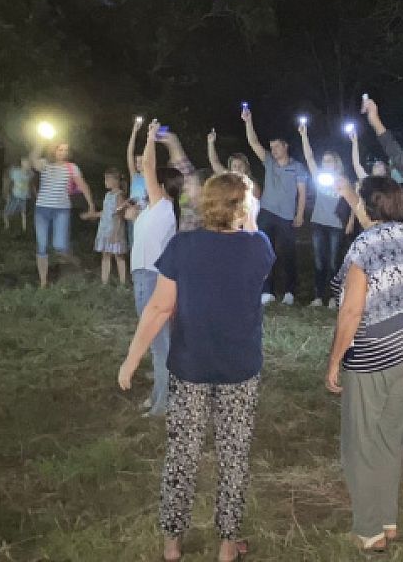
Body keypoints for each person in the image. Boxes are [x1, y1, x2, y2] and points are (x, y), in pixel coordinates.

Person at [118, 171, 274, 562]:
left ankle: (173, 544)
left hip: (189, 366)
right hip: (239, 367)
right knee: (233, 454)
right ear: (241, 205)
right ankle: (226, 546)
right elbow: (253, 240)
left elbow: (159, 307)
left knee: (182, 453)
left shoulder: (183, 246)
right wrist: (247, 214)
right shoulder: (259, 247)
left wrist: (132, 358)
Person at [325, 177, 403, 552]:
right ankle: (388, 519)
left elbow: (351, 309)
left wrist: (335, 359)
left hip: (373, 352)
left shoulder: (364, 246)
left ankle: (369, 529)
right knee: (388, 435)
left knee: (360, 442)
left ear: (368, 207)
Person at [127, 121, 183, 418]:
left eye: (153, 180)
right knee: (156, 343)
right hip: (145, 277)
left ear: (161, 186)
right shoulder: (155, 209)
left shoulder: (162, 206)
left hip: (151, 279)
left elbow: (147, 164)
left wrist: (150, 137)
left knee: (159, 344)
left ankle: (165, 405)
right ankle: (158, 395)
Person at [242, 105, 307, 306]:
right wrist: (248, 121)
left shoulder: (297, 167)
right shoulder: (268, 161)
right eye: (271, 147)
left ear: (285, 146)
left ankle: (289, 291)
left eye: (276, 146)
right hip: (267, 213)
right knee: (264, 251)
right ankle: (266, 291)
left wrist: (300, 214)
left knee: (287, 253)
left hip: (287, 216)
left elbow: (302, 193)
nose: (273, 150)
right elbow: (253, 142)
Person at [30, 139, 99, 289]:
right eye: (60, 150)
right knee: (41, 246)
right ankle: (43, 282)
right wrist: (40, 141)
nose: (63, 153)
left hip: (61, 210)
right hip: (42, 208)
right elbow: (33, 160)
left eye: (65, 150)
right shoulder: (45, 164)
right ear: (53, 150)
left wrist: (91, 204)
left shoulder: (71, 168)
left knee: (60, 246)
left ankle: (77, 263)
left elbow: (82, 185)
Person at [298, 121, 347, 307]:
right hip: (319, 222)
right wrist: (304, 136)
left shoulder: (342, 180)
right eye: (324, 160)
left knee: (334, 262)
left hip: (336, 225)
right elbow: (309, 158)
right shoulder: (319, 177)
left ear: (336, 164)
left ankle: (334, 298)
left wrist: (349, 222)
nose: (326, 163)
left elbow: (351, 202)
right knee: (319, 261)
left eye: (329, 161)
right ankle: (318, 296)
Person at [94, 168, 129, 286]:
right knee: (105, 256)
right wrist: (92, 215)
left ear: (114, 181)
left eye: (107, 179)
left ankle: (123, 283)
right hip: (104, 230)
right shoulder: (108, 195)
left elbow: (119, 215)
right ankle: (104, 282)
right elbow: (106, 212)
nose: (105, 181)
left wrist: (116, 233)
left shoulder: (119, 195)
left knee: (118, 256)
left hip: (114, 231)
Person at [126, 117, 148, 245]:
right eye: (136, 162)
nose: (138, 164)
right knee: (134, 245)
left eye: (141, 161)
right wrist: (134, 132)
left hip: (145, 216)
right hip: (133, 214)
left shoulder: (152, 178)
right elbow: (129, 154)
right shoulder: (135, 176)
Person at [2, 157, 34, 233]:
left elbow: (31, 183)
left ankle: (24, 229)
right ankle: (6, 226)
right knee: (6, 213)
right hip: (14, 196)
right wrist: (6, 193)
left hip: (23, 197)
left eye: (28, 163)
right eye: (25, 162)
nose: (27, 164)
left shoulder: (30, 173)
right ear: (22, 163)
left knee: (23, 212)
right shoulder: (16, 172)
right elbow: (8, 180)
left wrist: (31, 192)